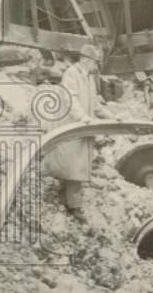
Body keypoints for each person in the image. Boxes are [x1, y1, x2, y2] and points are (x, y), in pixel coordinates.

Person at [43, 44, 113, 214]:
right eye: (94, 63)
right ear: (86, 60)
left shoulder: (89, 77)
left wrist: (110, 116)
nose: (96, 66)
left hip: (83, 127)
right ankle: (74, 206)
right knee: (73, 167)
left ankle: (66, 195)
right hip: (72, 127)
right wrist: (82, 117)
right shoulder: (71, 75)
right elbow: (70, 100)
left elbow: (95, 103)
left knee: (76, 165)